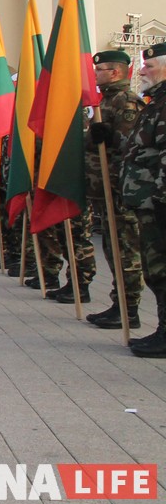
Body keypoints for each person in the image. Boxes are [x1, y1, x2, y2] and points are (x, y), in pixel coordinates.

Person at [84, 50, 144, 328]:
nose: (95, 75)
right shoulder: (102, 102)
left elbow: (132, 145)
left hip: (120, 190)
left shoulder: (126, 102)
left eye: (100, 70)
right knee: (111, 248)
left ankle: (128, 310)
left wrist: (110, 137)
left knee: (125, 250)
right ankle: (118, 303)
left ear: (115, 72)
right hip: (103, 189)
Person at [120, 43, 166, 357]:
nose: (142, 71)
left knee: (161, 269)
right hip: (148, 200)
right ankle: (163, 330)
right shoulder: (156, 103)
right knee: (156, 269)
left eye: (149, 67)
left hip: (158, 200)